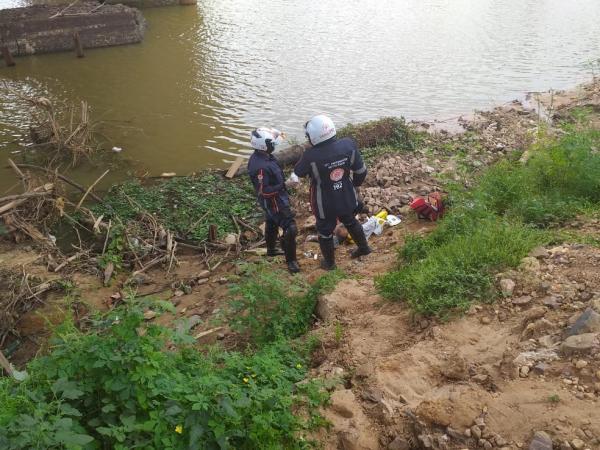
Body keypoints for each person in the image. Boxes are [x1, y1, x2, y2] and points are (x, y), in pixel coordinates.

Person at [292, 115, 371, 270]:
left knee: (325, 231)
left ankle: (329, 263)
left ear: (313, 137)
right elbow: (361, 171)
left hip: (324, 202)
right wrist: (353, 186)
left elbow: (298, 172)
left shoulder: (310, 156)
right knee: (350, 221)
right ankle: (364, 248)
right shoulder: (348, 145)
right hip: (346, 195)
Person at [247, 127, 300, 273]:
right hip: (274, 202)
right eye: (272, 143)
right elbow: (264, 191)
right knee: (291, 228)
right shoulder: (261, 167)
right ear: (264, 145)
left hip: (272, 200)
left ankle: (271, 249)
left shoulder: (262, 156)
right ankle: (291, 262)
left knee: (271, 222)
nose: (275, 146)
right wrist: (285, 184)